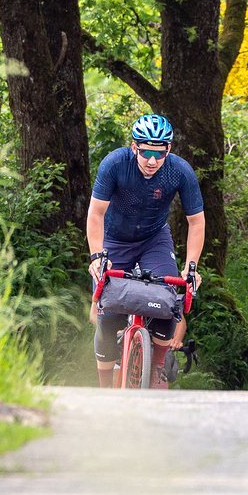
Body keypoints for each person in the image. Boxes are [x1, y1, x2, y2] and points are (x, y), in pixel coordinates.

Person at [87, 114, 205, 388]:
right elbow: (96, 213)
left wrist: (191, 266)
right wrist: (96, 256)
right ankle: (104, 389)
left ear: (169, 150)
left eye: (159, 153)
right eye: (146, 152)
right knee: (108, 313)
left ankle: (157, 369)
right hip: (114, 239)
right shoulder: (115, 163)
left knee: (168, 301)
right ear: (134, 147)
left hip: (154, 239)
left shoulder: (179, 171)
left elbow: (196, 221)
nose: (152, 161)